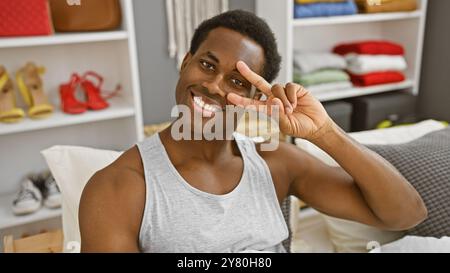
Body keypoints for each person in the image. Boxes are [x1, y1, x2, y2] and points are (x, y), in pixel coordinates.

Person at [79, 10, 427, 253]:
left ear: (254, 97)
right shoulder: (118, 187)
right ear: (186, 63)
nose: (214, 86)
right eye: (207, 65)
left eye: (236, 81)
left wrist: (323, 132)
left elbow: (406, 213)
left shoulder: (276, 163)